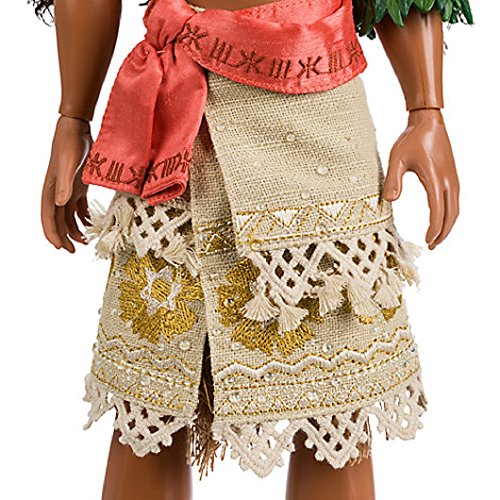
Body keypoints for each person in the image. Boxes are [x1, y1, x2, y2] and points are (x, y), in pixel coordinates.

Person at [32, 0, 473, 499]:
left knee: (336, 405)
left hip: (319, 109)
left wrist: (426, 109)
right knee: (150, 398)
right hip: (176, 119)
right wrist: (72, 116)